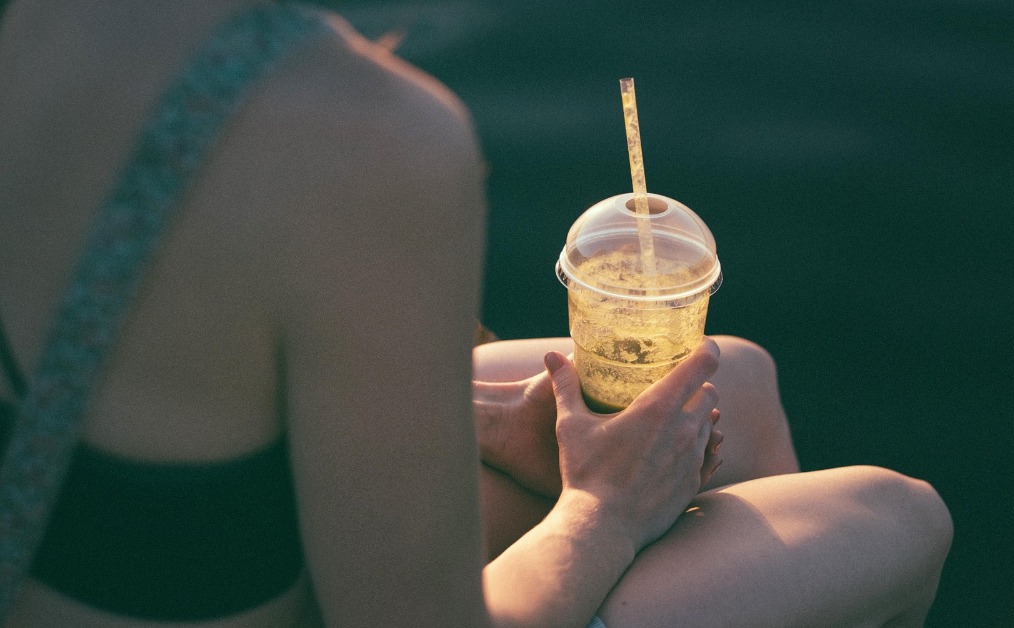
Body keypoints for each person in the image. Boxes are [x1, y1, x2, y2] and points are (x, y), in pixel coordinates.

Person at [0, 0, 952, 626]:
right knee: (896, 516)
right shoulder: (357, 136)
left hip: (100, 545)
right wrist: (604, 509)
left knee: (734, 380)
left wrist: (470, 425)